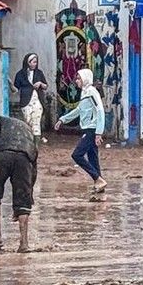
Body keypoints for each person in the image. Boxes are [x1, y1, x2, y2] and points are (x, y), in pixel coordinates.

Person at [0, 112, 39, 252]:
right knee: (23, 200)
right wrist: (29, 192)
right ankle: (24, 243)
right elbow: (34, 161)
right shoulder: (28, 130)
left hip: (3, 155)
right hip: (24, 158)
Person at [58, 67, 107, 196]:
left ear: (85, 79)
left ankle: (97, 179)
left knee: (77, 155)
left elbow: (100, 110)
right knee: (93, 158)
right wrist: (63, 119)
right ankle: (100, 186)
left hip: (92, 129)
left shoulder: (92, 92)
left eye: (79, 78)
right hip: (87, 128)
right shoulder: (85, 93)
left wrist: (98, 133)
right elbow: (79, 110)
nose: (77, 81)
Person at [12, 53, 49, 141]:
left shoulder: (39, 73)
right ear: (28, 62)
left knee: (36, 122)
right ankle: (28, 141)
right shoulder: (20, 74)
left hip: (37, 100)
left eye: (36, 62)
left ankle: (36, 145)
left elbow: (46, 86)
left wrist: (40, 83)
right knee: (27, 121)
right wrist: (10, 84)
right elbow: (16, 88)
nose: (34, 64)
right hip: (26, 101)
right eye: (33, 62)